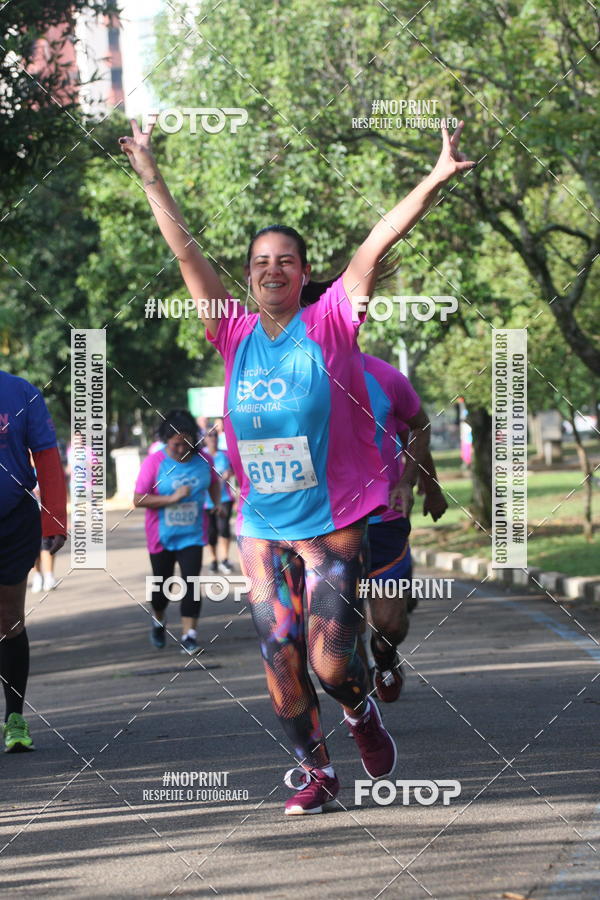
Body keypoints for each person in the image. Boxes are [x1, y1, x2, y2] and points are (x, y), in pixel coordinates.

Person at [120, 116, 474, 813]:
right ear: (248, 276)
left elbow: (377, 243)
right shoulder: (232, 332)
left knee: (331, 663)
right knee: (280, 659)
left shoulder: (333, 320)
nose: (272, 268)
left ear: (304, 274)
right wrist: (151, 177)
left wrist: (435, 177)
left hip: (333, 522)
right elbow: (186, 252)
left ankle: (360, 712)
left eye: (286, 260)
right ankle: (318, 772)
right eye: (260, 261)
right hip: (262, 524)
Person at [359, 353, 448, 702]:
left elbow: (415, 432)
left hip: (384, 518)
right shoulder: (297, 379)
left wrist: (427, 486)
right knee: (340, 625)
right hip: (326, 523)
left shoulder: (384, 377)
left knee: (391, 624)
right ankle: (358, 701)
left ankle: (384, 656)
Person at [0, 370, 67, 752]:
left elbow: (46, 454)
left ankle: (14, 718)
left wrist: (54, 517)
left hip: (13, 520)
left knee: (9, 619)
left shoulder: (20, 392)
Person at [134, 410, 221, 654]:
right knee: (162, 588)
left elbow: (214, 483)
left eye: (186, 443)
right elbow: (138, 499)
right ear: (165, 441)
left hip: (193, 534)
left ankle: (189, 635)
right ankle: (159, 619)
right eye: (175, 445)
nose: (182, 449)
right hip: (162, 535)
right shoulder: (154, 462)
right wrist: (171, 498)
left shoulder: (205, 460)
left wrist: (215, 504)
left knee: (191, 583)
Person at [203, 430, 235, 575]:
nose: (213, 438)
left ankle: (225, 559)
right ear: (204, 439)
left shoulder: (225, 454)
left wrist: (229, 474)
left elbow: (234, 470)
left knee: (224, 528)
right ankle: (213, 560)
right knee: (211, 532)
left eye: (215, 435)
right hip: (206, 501)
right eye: (209, 435)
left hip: (224, 498)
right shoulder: (201, 455)